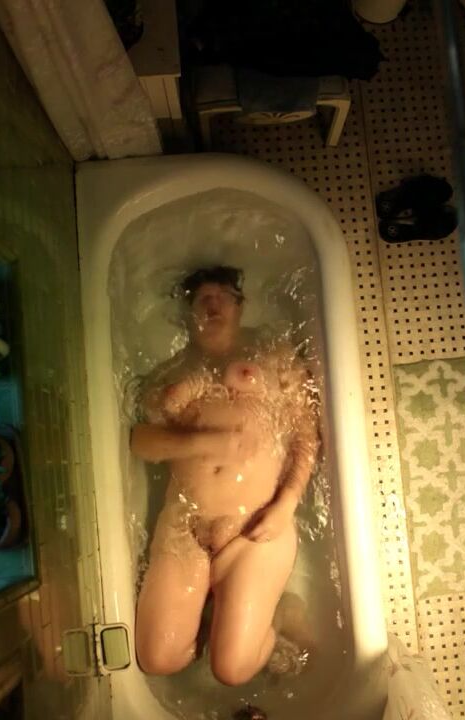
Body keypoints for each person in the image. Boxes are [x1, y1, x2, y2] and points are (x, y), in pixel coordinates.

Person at [130, 265, 320, 686]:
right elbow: (140, 442)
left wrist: (286, 504)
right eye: (203, 298)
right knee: (158, 659)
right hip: (185, 530)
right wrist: (204, 443)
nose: (213, 304)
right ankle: (218, 611)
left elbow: (307, 438)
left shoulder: (274, 359)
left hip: (252, 529)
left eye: (222, 296)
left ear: (240, 305)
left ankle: (280, 613)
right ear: (188, 313)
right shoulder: (171, 375)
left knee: (231, 670)